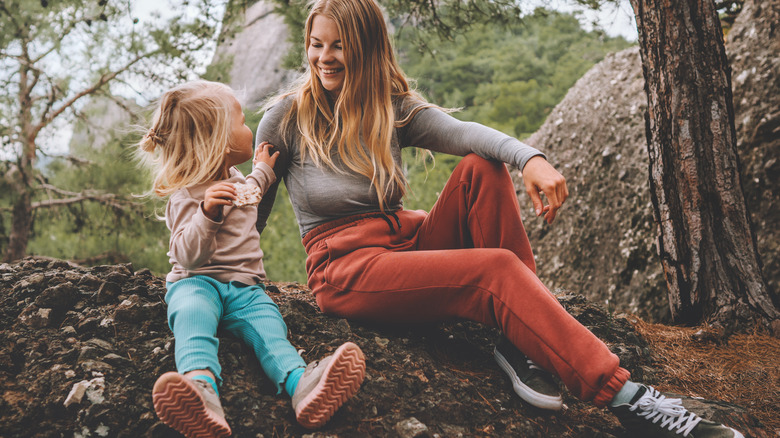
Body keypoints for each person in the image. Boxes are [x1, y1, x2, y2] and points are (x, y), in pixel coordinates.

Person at [253, 0, 746, 436]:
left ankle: (522, 343)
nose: (324, 57)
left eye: (338, 46)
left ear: (366, 50)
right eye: (316, 45)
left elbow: (464, 133)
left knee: (481, 167)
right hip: (346, 269)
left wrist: (530, 158)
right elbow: (254, 209)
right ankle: (627, 397)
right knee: (494, 269)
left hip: (405, 243)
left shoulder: (389, 108)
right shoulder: (284, 119)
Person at [137, 80, 366, 437]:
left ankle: (300, 385)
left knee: (271, 332)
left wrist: (263, 170)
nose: (250, 127)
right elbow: (186, 255)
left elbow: (253, 194)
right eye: (242, 122)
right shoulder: (186, 195)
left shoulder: (235, 179)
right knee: (192, 318)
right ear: (219, 140)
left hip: (246, 289)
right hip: (197, 283)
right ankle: (200, 390)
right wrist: (207, 213)